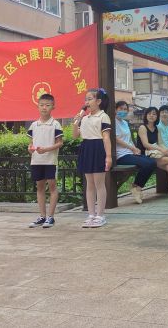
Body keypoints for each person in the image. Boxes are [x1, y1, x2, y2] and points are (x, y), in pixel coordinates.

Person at [73, 88, 112, 228]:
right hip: (86, 148)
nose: (87, 102)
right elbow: (75, 136)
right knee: (89, 183)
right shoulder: (84, 118)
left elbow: (106, 138)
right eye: (86, 99)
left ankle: (100, 215)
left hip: (98, 148)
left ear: (99, 101)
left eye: (90, 99)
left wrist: (108, 156)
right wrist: (76, 123)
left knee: (99, 183)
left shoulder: (103, 116)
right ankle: (91, 214)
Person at [27, 94, 63, 228]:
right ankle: (42, 216)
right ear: (38, 106)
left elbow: (60, 143)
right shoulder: (33, 125)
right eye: (42, 105)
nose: (44, 108)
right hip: (36, 160)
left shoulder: (55, 124)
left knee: (52, 187)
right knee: (40, 187)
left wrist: (46, 149)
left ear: (53, 107)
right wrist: (30, 149)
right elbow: (30, 144)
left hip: (50, 161)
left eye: (47, 105)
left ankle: (51, 217)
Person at [137, 107, 168, 203]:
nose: (151, 116)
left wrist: (166, 150)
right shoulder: (143, 127)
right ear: (146, 115)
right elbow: (146, 144)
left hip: (156, 156)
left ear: (157, 116)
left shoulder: (157, 128)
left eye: (154, 114)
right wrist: (161, 150)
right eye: (149, 113)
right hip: (146, 156)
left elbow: (160, 143)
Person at [113, 101, 158, 204]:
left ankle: (137, 187)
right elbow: (116, 139)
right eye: (121, 109)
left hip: (130, 153)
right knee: (147, 164)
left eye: (125, 109)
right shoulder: (113, 122)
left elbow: (128, 139)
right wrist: (132, 148)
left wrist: (135, 148)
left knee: (152, 162)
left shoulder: (125, 123)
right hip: (121, 155)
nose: (123, 111)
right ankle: (137, 187)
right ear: (115, 110)